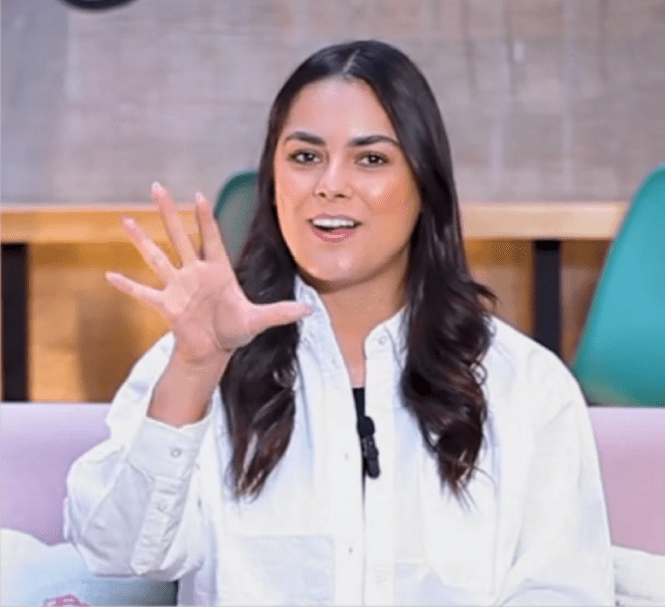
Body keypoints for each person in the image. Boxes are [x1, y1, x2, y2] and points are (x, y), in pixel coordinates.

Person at [65, 40, 615, 605]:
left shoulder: (525, 385)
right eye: (305, 157)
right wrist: (194, 372)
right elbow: (117, 553)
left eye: (371, 159)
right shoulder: (196, 360)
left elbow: (562, 592)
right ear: (273, 183)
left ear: (424, 185)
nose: (330, 184)